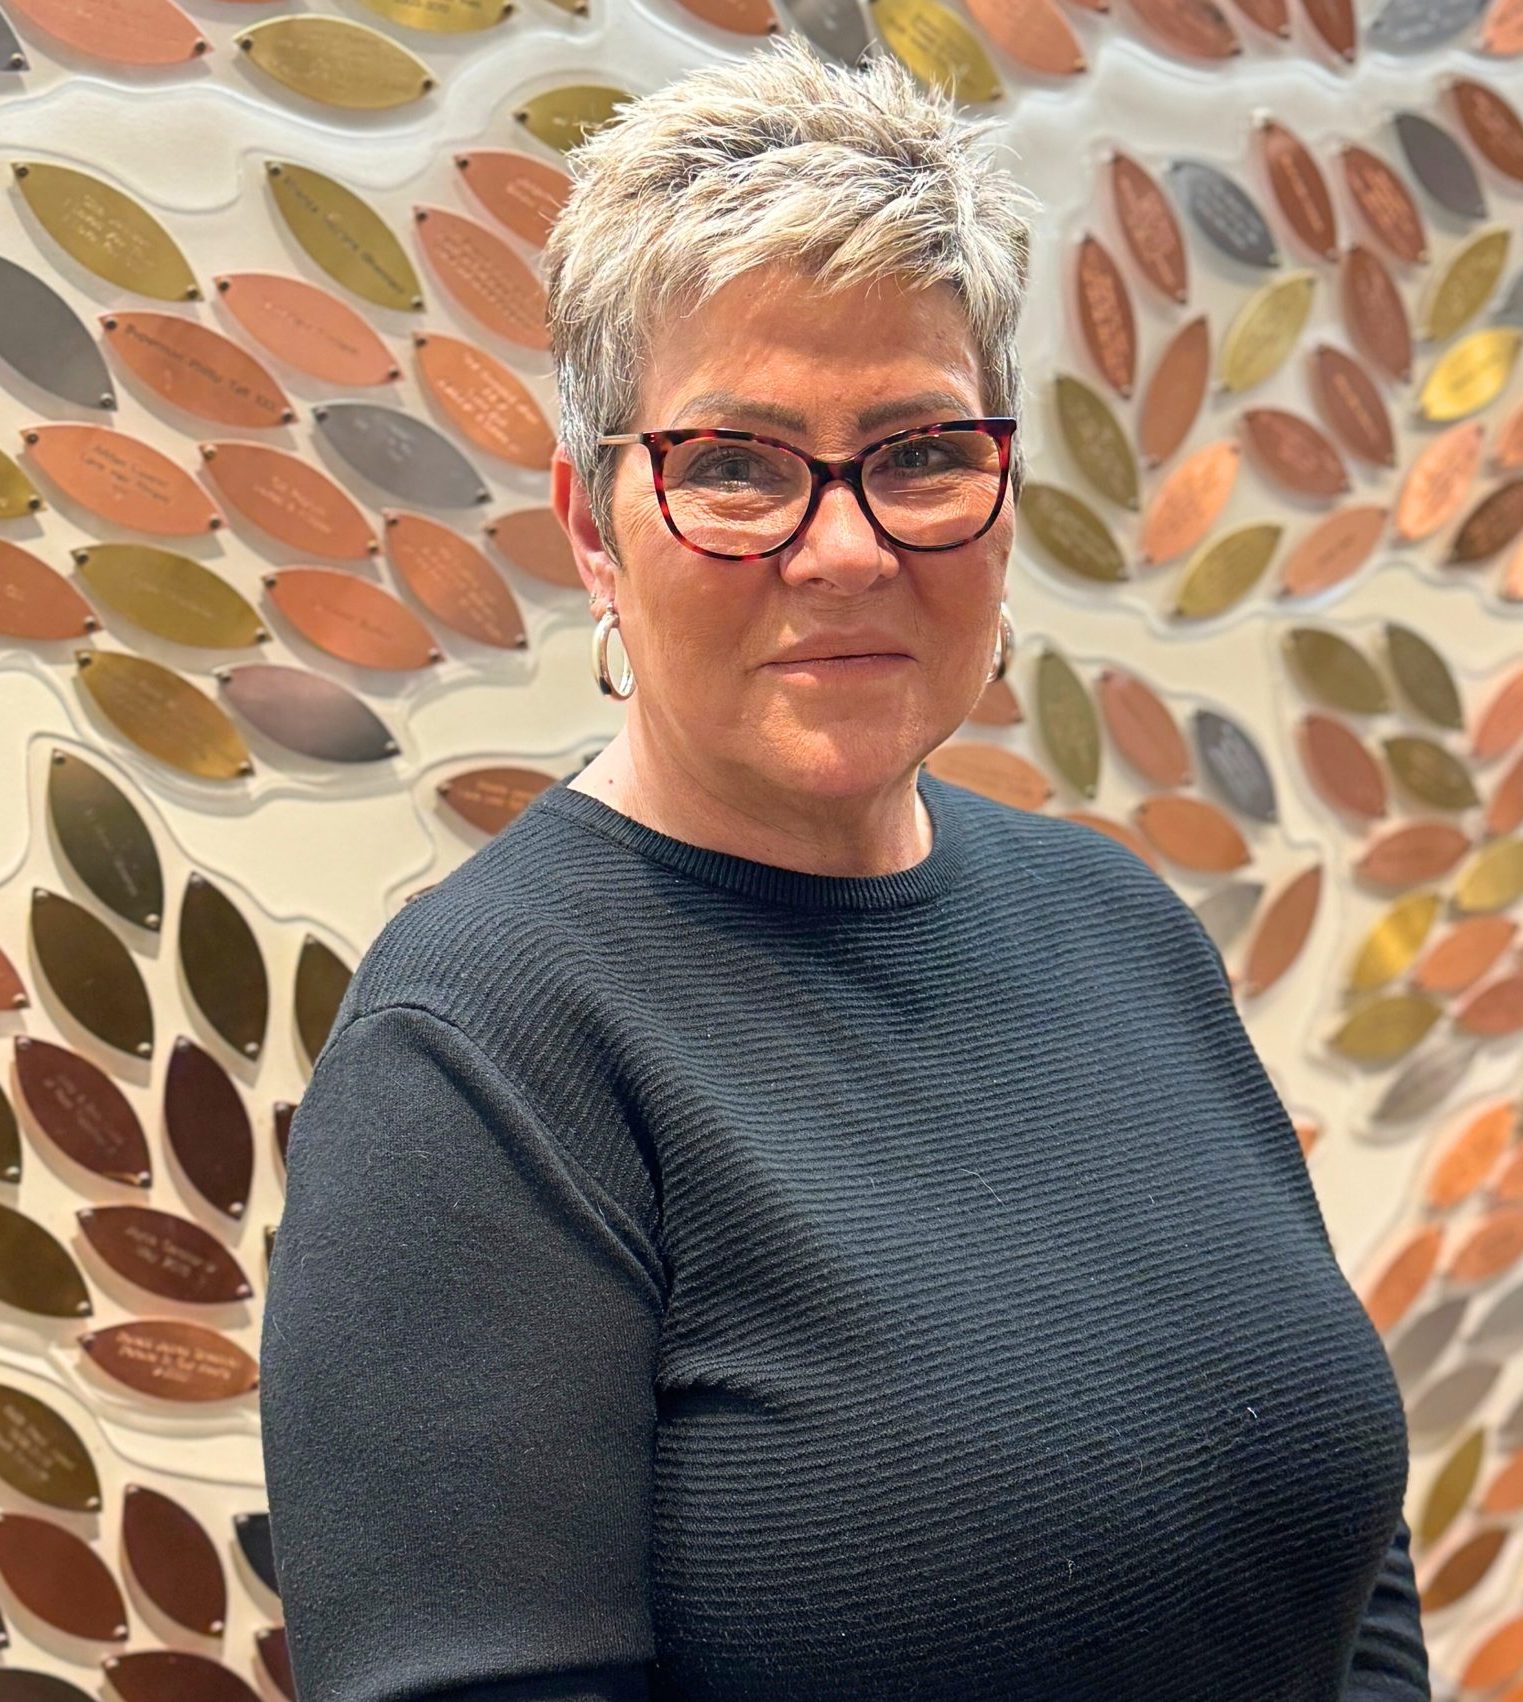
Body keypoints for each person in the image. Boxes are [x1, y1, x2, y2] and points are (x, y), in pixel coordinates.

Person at [258, 36, 1430, 1702]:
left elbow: (1341, 1559)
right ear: (594, 527)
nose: (843, 545)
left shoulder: (1116, 923)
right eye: (732, 464)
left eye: (917, 452)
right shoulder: (482, 1051)